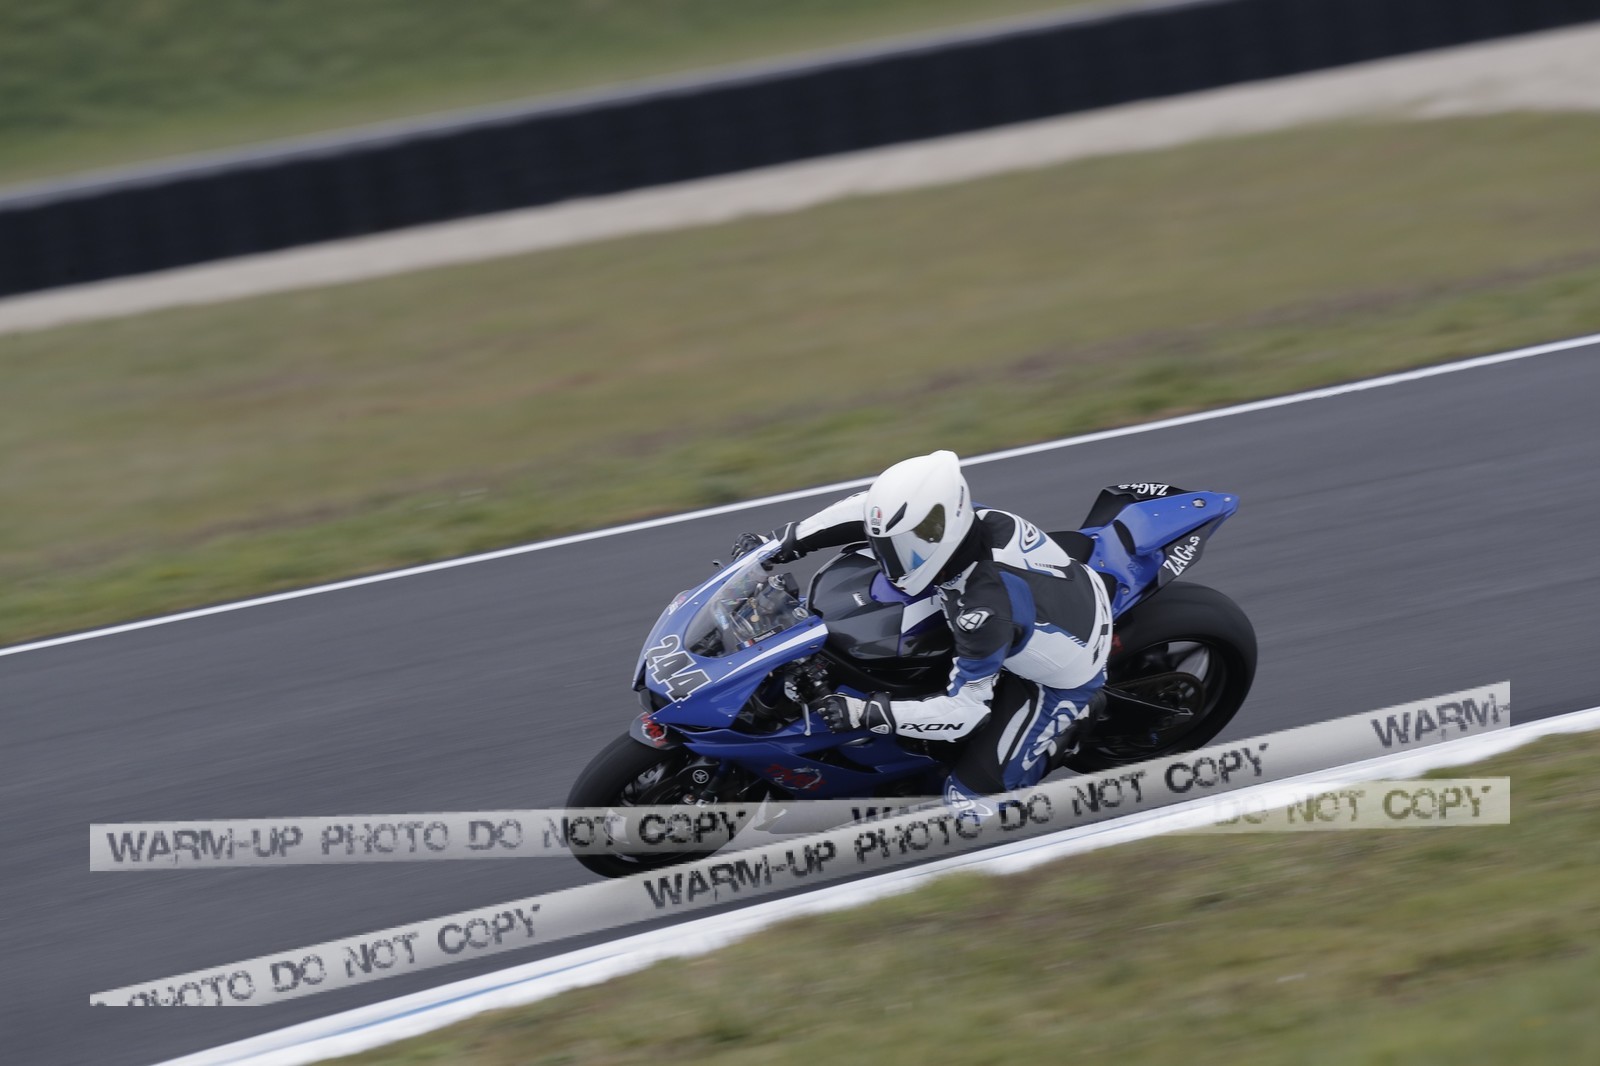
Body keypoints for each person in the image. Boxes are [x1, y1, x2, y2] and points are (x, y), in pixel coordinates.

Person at [731, 450, 1112, 813]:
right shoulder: (957, 522)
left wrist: (866, 713)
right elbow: (861, 510)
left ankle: (1072, 723)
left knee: (970, 805)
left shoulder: (982, 610)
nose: (888, 559)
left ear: (938, 532)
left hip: (1058, 676)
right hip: (1036, 605)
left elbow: (966, 711)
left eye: (898, 549)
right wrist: (778, 543)